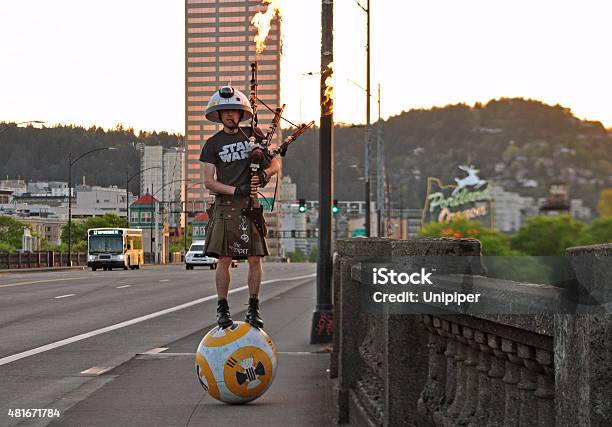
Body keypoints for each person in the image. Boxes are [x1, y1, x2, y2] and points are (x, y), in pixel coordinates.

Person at [199, 86, 280, 329]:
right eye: (225, 112)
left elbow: (275, 164)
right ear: (219, 115)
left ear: (240, 112)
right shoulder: (212, 144)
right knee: (224, 259)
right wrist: (236, 190)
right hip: (226, 205)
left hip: (250, 206)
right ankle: (222, 309)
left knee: (255, 258)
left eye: (234, 111)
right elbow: (208, 181)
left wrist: (264, 176)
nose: (230, 116)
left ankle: (253, 308)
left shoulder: (252, 137)